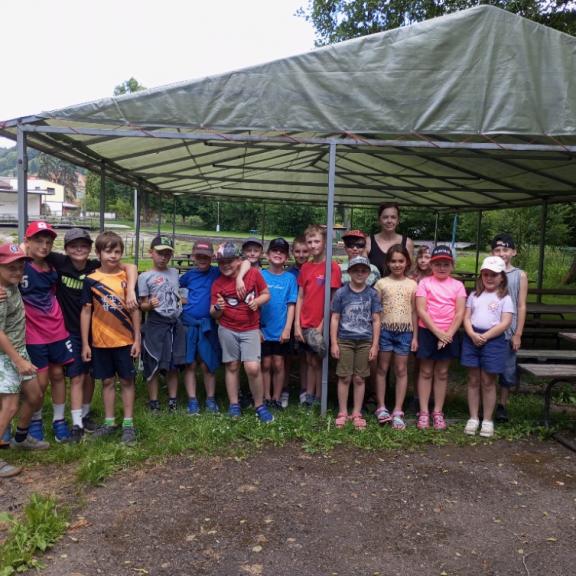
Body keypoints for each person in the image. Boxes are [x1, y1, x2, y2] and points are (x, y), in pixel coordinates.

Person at [46, 228, 138, 442]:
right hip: (79, 332)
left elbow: (131, 267)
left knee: (103, 377)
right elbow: (86, 310)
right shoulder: (65, 264)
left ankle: (105, 420)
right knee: (82, 376)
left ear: (90, 250)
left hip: (111, 336)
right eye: (73, 246)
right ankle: (79, 424)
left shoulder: (99, 267)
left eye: (83, 245)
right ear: (66, 249)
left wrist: (132, 289)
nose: (78, 249)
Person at [80, 231, 141, 445]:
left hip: (125, 341)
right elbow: (86, 311)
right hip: (100, 342)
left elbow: (135, 310)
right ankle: (109, 422)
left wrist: (137, 339)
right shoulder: (91, 280)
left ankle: (128, 424)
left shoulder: (127, 278)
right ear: (98, 253)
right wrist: (86, 343)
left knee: (127, 381)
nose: (113, 256)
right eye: (108, 251)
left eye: (117, 251)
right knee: (106, 381)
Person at [18, 221, 74, 443]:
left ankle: (59, 420)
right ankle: (35, 420)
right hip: (33, 333)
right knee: (40, 382)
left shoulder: (53, 268)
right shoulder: (20, 266)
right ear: (27, 241)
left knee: (58, 375)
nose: (44, 246)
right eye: (38, 241)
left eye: (48, 242)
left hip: (56, 329)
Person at [180, 241, 250, 415]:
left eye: (206, 256)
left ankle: (210, 399)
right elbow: (176, 289)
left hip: (208, 324)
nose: (202, 259)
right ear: (193, 256)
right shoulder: (188, 276)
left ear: (212, 257)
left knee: (207, 363)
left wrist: (240, 278)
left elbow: (246, 262)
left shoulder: (217, 272)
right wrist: (182, 300)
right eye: (199, 256)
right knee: (190, 363)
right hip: (189, 324)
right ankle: (192, 400)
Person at [210, 242, 273, 422]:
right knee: (232, 365)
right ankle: (234, 404)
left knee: (253, 368)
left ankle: (259, 405)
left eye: (230, 261)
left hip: (250, 328)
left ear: (238, 260)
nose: (226, 265)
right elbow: (213, 313)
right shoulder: (218, 284)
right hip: (227, 328)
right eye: (221, 262)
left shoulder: (253, 274)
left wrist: (258, 302)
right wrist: (218, 308)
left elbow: (266, 294)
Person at [0, 243, 48, 474]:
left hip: (19, 351)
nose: (18, 272)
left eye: (20, 267)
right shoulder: (1, 296)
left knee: (35, 395)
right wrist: (18, 362)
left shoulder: (10, 284)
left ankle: (20, 438)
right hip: (5, 356)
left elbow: (20, 248)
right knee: (9, 406)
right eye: (11, 268)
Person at [415, 245, 466, 430]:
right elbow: (421, 310)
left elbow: (459, 313)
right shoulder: (424, 283)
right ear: (431, 265)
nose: (442, 268)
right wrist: (438, 333)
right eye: (437, 264)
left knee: (442, 373)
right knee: (426, 371)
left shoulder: (458, 286)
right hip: (428, 331)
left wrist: (448, 334)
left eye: (446, 264)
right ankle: (423, 411)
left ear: (452, 265)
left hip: (449, 332)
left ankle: (438, 411)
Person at [461, 256, 513, 438]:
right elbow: (466, 317)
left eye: (494, 275)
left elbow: (505, 322)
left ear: (502, 277)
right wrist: (472, 334)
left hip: (493, 340)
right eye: (486, 274)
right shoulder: (474, 296)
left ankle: (488, 419)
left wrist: (486, 336)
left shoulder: (505, 298)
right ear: (481, 276)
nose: (489, 278)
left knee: (488, 381)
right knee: (473, 379)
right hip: (472, 337)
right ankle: (473, 417)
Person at [330, 256, 381, 430]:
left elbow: (376, 319)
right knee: (344, 376)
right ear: (350, 272)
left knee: (360, 378)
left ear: (368, 273)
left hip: (365, 341)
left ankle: (357, 412)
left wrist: (375, 344)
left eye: (363, 270)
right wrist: (334, 343)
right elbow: (335, 318)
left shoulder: (372, 294)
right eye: (356, 270)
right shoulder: (341, 293)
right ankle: (343, 412)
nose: (360, 273)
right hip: (345, 340)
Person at [294, 224, 342, 406]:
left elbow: (333, 300)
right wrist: (297, 324)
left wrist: (322, 325)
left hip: (321, 323)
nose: (313, 245)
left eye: (316, 241)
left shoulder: (332, 267)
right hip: (305, 322)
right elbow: (300, 296)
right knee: (309, 360)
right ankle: (309, 394)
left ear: (324, 242)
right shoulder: (305, 267)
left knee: (318, 360)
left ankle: (319, 397)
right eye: (309, 242)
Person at [138, 236, 186, 414]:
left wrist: (182, 300)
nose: (163, 257)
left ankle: (173, 401)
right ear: (151, 253)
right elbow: (142, 304)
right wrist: (149, 305)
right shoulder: (145, 277)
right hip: (155, 324)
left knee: (173, 364)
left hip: (174, 323)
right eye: (159, 253)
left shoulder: (174, 273)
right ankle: (154, 402)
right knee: (154, 363)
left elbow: (177, 294)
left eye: (167, 254)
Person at [373, 245, 418, 430]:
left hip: (405, 331)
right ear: (387, 263)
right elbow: (375, 312)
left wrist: (415, 336)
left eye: (401, 261)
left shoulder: (413, 284)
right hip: (385, 330)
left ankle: (398, 410)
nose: (397, 265)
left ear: (407, 262)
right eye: (393, 261)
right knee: (382, 368)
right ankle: (381, 407)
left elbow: (415, 312)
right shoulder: (381, 283)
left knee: (401, 369)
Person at [491, 233, 528, 423]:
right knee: (489, 369)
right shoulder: (488, 272)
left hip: (509, 331)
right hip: (490, 329)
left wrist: (518, 333)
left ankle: (502, 405)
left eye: (505, 249)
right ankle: (487, 403)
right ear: (492, 252)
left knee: (507, 370)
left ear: (513, 252)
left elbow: (521, 305)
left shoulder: (520, 275)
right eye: (497, 250)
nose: (501, 253)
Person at [260, 238, 298, 409]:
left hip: (281, 329)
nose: (278, 254)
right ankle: (266, 396)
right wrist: (256, 328)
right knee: (265, 363)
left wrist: (287, 329)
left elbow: (291, 305)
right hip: (263, 329)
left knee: (278, 363)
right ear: (267, 255)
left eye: (282, 252)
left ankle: (276, 397)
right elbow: (253, 303)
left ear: (287, 257)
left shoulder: (290, 278)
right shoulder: (260, 275)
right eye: (274, 251)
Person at [286, 235, 309, 406]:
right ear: (292, 252)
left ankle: (305, 389)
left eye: (305, 251)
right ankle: (284, 388)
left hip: (307, 318)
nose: (301, 255)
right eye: (298, 251)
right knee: (287, 356)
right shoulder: (288, 273)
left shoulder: (313, 269)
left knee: (305, 356)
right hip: (288, 318)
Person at [366, 203, 414, 277]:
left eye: (393, 217)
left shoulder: (407, 243)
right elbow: (361, 270)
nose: (389, 221)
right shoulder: (368, 242)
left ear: (398, 220)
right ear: (379, 220)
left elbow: (409, 272)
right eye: (385, 217)